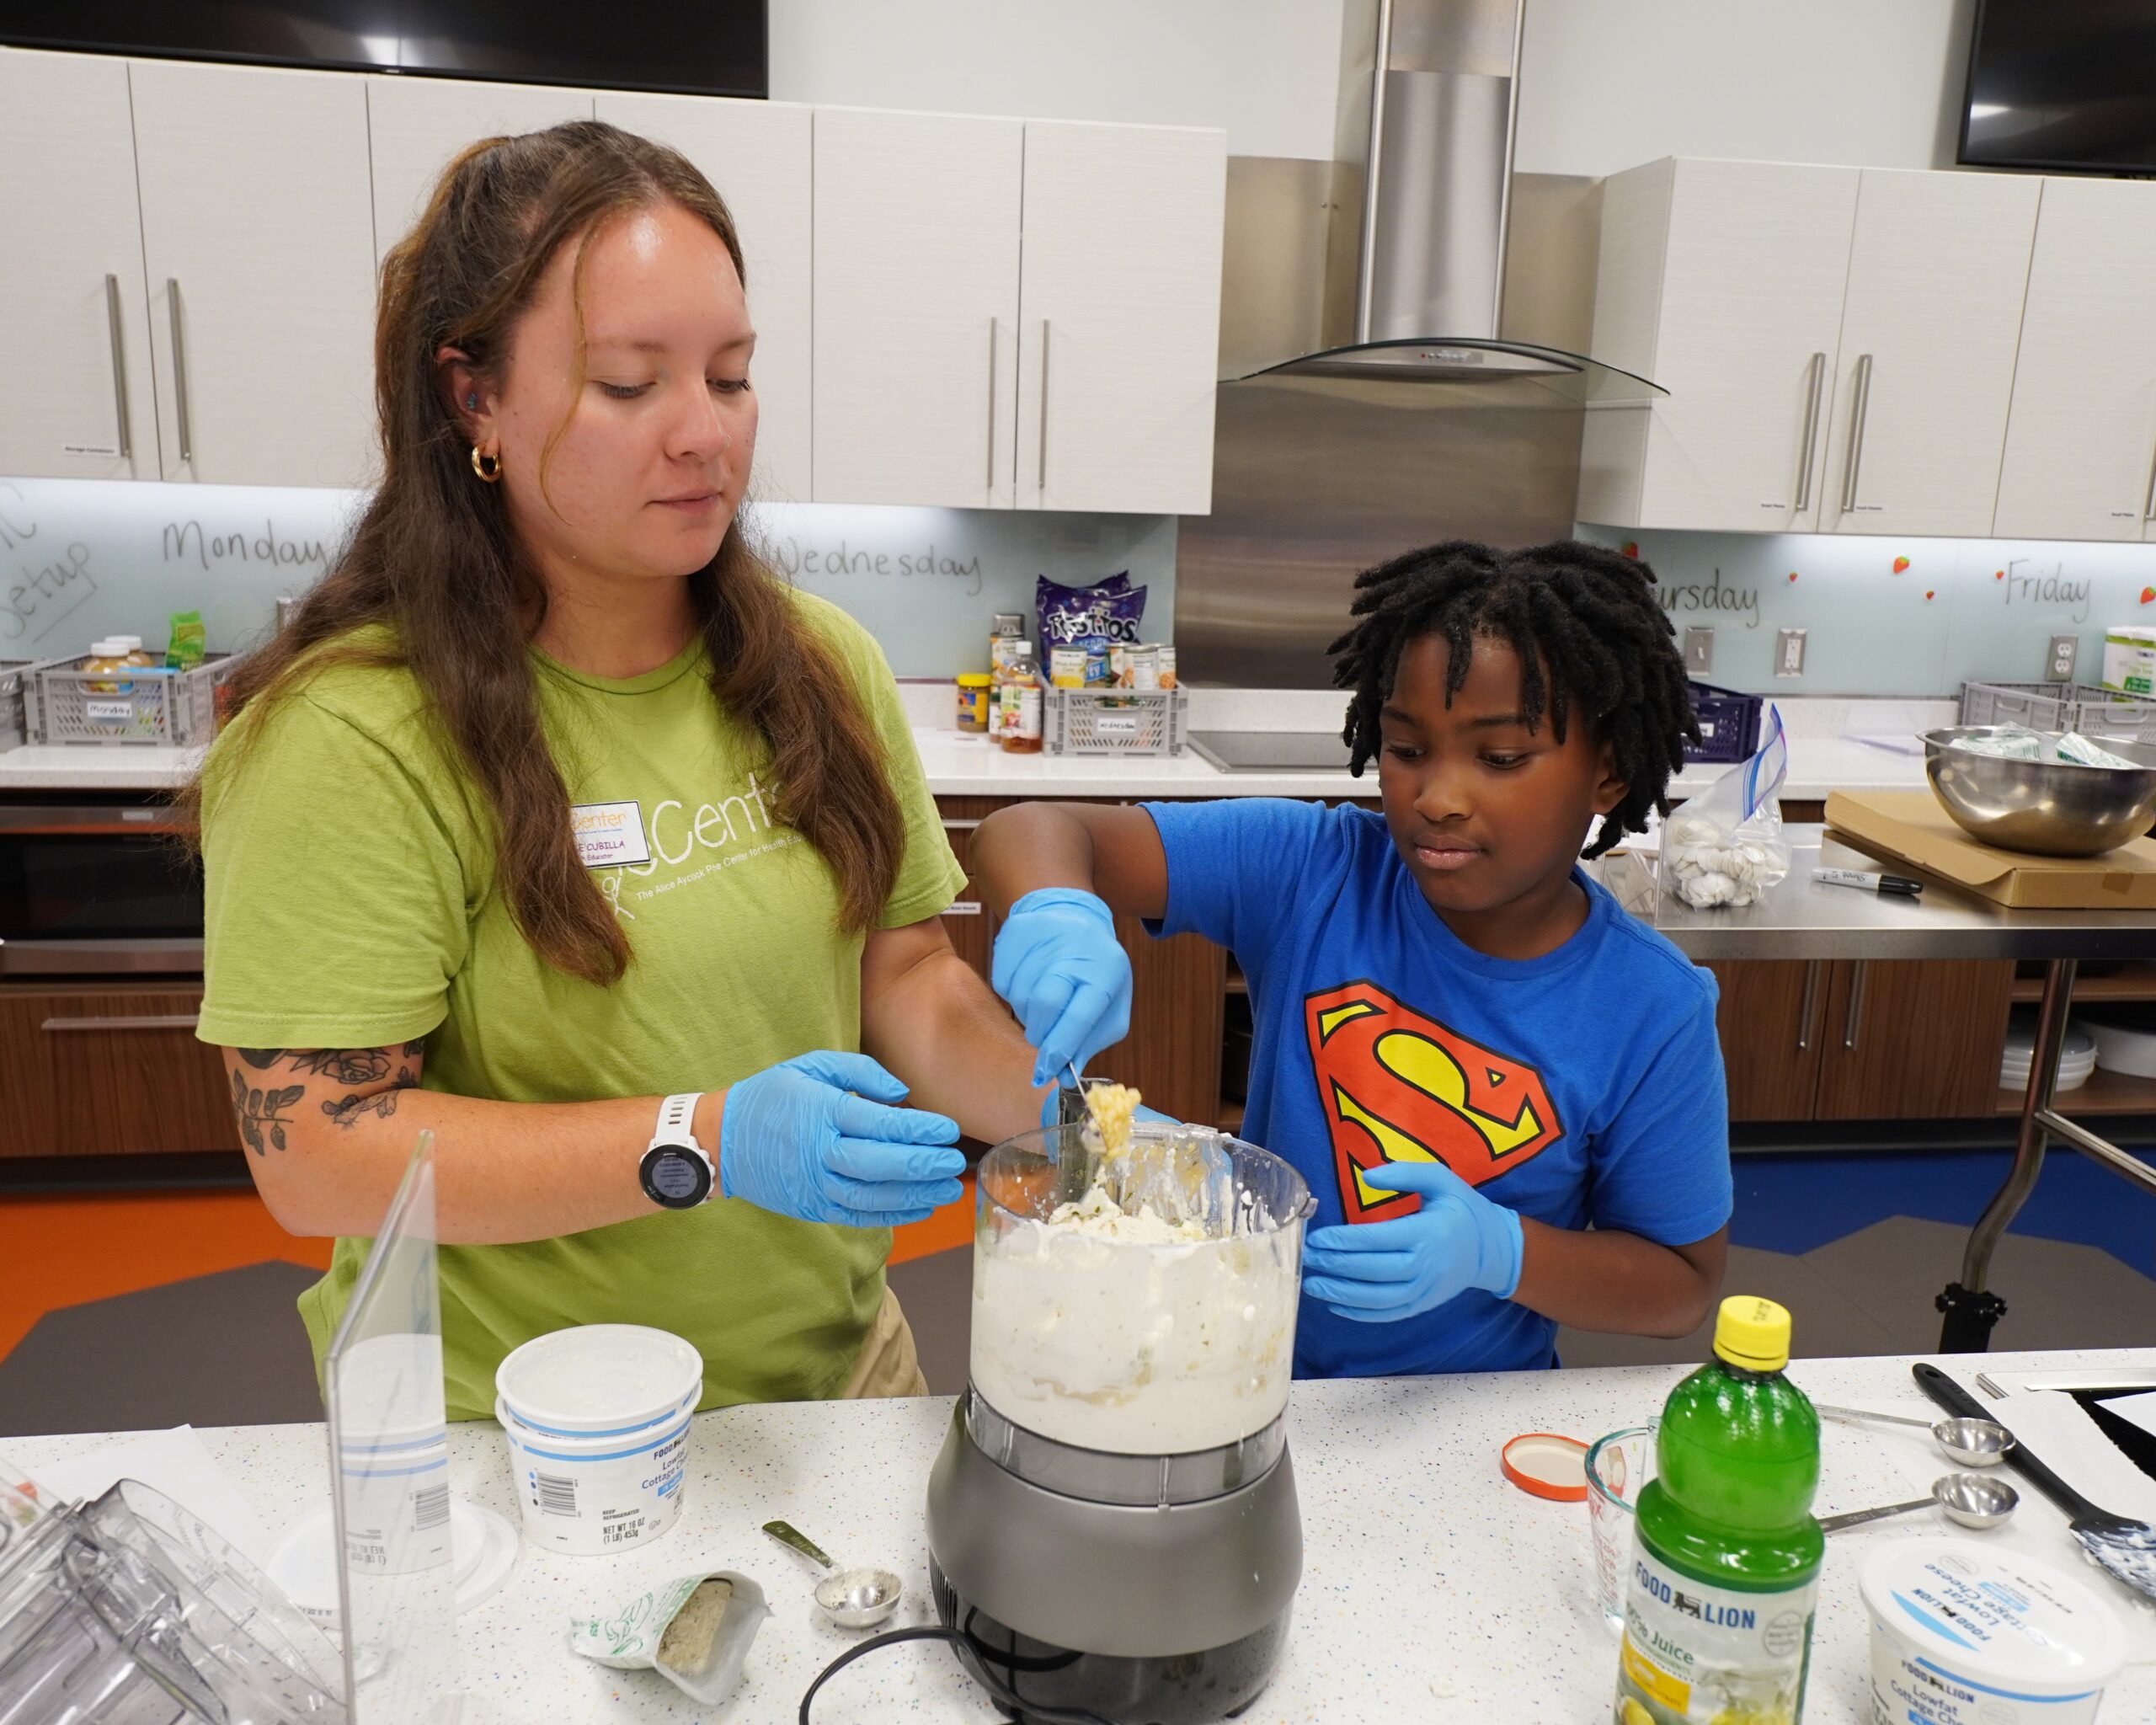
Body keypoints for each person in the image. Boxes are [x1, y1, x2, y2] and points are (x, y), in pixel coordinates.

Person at [189, 121, 1049, 1420]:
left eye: (732, 376)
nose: (705, 435)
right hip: (526, 1437)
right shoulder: (355, 734)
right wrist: (695, 1142)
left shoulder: (823, 667)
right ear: (475, 396)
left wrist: (1080, 1114)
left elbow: (906, 976)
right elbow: (317, 1153)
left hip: (842, 1388)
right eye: (632, 384)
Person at [972, 540, 1731, 1377]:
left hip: (1462, 1419)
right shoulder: (1314, 868)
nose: (1437, 798)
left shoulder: (1652, 1009)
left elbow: (1681, 1286)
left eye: (1501, 758)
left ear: (1609, 773)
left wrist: (1502, 1252)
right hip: (1241, 1366)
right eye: (1407, 749)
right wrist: (1056, 910)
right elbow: (1029, 827)